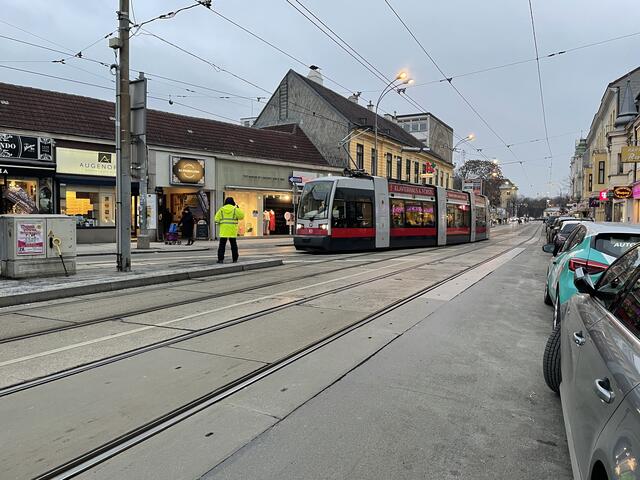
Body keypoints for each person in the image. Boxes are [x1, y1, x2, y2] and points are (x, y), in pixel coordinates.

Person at [215, 197, 244, 263]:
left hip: (223, 230)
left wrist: (219, 224)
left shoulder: (221, 209)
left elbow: (216, 219)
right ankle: (235, 259)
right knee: (233, 245)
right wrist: (238, 209)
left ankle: (220, 259)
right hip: (232, 230)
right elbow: (241, 216)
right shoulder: (235, 209)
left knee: (222, 245)